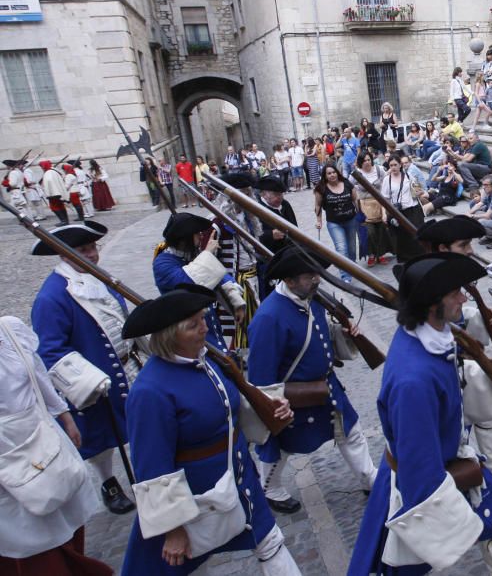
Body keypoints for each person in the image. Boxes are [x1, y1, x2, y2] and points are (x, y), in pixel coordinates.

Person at [348, 253, 492, 575]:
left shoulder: (431, 338)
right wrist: (450, 520)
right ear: (432, 305)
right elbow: (419, 466)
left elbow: (452, 388)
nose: (463, 298)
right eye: (455, 292)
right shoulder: (412, 381)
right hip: (425, 481)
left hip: (452, 461)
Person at [118, 286, 300, 575]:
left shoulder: (208, 359)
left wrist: (272, 408)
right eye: (194, 325)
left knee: (270, 542)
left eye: (203, 319)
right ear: (169, 337)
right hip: (193, 497)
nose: (205, 328)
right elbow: (151, 466)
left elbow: (230, 405)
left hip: (239, 476)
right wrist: (173, 528)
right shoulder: (150, 391)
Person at [416, 217, 492, 490]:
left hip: (461, 358)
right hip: (447, 366)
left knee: (486, 415)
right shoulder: (428, 282)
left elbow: (459, 312)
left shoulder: (449, 274)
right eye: (463, 245)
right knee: (455, 429)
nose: (471, 250)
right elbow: (436, 328)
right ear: (442, 248)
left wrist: (483, 318)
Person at [248, 247, 376, 514]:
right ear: (289, 280)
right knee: (278, 444)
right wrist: (271, 406)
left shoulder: (311, 298)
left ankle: (369, 478)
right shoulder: (268, 318)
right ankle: (269, 488)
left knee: (351, 432)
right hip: (294, 395)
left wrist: (342, 333)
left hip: (326, 387)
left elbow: (320, 334)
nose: (317, 279)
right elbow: (260, 375)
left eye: (316, 274)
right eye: (309, 276)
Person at [29, 220, 139, 515]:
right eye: (82, 249)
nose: (91, 254)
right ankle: (108, 482)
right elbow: (50, 350)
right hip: (92, 382)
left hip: (125, 369)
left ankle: (146, 474)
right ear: (65, 254)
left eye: (92, 247)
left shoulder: (100, 279)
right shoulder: (52, 296)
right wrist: (88, 381)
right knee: (100, 437)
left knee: (138, 424)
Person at [0, 315, 113, 576]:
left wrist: (64, 416)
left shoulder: (9, 329)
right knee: (28, 534)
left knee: (65, 501)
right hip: (6, 455)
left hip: (40, 433)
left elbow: (36, 372)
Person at [153, 212, 245, 354]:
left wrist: (236, 302)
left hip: (207, 324)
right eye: (197, 234)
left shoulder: (192, 256)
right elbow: (189, 282)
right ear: (184, 239)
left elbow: (220, 276)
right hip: (186, 333)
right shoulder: (163, 263)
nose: (201, 236)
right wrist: (207, 254)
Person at [210, 173, 263, 353]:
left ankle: (250, 349)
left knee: (253, 316)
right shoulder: (218, 222)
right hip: (234, 276)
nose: (247, 197)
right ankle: (237, 353)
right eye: (243, 193)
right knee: (239, 318)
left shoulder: (249, 217)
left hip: (252, 271)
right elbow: (210, 256)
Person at [314, 163, 359, 278]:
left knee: (352, 248)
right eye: (329, 173)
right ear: (325, 176)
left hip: (351, 220)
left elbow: (355, 199)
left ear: (337, 172)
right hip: (334, 223)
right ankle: (345, 275)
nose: (332, 175)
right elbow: (318, 205)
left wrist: (361, 214)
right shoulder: (321, 188)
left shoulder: (347, 183)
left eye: (333, 172)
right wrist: (319, 220)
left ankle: (353, 269)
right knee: (341, 248)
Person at [381, 152, 426, 261]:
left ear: (400, 165)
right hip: (397, 212)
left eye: (395, 165)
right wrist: (384, 214)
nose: (393, 167)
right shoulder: (387, 179)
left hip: (413, 209)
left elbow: (418, 192)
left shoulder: (408, 175)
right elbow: (384, 199)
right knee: (402, 239)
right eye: (391, 165)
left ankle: (421, 259)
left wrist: (419, 191)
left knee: (416, 236)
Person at [355, 152, 390, 267]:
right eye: (364, 160)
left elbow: (386, 182)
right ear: (360, 162)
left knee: (381, 230)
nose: (367, 162)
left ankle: (380, 254)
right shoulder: (357, 173)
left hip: (380, 204)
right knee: (369, 232)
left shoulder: (379, 170)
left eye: (369, 159)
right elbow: (348, 185)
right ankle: (371, 254)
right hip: (365, 205)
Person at [41, 159, 70, 225]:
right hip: (57, 192)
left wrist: (50, 192)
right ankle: (65, 220)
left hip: (53, 193)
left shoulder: (48, 173)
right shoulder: (53, 171)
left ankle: (63, 220)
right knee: (61, 206)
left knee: (54, 207)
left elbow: (49, 182)